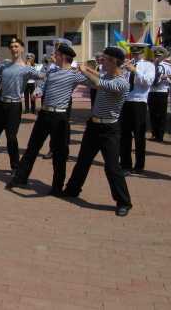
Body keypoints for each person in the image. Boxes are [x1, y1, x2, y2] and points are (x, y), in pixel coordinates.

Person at [6, 43, 88, 193]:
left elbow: (96, 83)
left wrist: (86, 70)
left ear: (63, 56)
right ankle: (20, 178)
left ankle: (57, 186)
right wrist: (37, 91)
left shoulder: (74, 75)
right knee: (32, 148)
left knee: (59, 153)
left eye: (56, 54)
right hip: (44, 114)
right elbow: (42, 85)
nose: (53, 56)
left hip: (60, 116)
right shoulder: (52, 71)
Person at [63, 47, 133, 217]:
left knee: (112, 167)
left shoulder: (122, 82)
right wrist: (75, 70)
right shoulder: (106, 76)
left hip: (109, 129)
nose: (102, 62)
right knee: (83, 161)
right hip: (93, 126)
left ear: (114, 61)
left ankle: (124, 202)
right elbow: (95, 80)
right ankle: (72, 190)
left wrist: (84, 70)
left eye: (105, 59)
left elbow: (100, 83)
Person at [0, 38, 42, 172]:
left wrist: (38, 89)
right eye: (11, 46)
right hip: (1, 105)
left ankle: (15, 166)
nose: (13, 49)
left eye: (16, 46)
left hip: (14, 107)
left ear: (22, 49)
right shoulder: (6, 66)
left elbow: (43, 77)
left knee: (11, 137)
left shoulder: (27, 69)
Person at [119, 42, 155, 174]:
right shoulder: (127, 65)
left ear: (143, 52)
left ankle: (139, 165)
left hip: (139, 102)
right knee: (124, 134)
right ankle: (125, 164)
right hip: (125, 101)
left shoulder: (148, 65)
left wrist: (134, 70)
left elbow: (148, 81)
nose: (135, 55)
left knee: (139, 135)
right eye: (133, 52)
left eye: (137, 52)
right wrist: (122, 71)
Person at [148, 46, 171, 142]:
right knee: (152, 113)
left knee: (161, 114)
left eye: (159, 56)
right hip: (151, 91)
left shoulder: (167, 66)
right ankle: (154, 133)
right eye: (156, 56)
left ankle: (160, 135)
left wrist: (166, 78)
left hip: (162, 91)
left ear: (162, 56)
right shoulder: (150, 65)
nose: (157, 58)